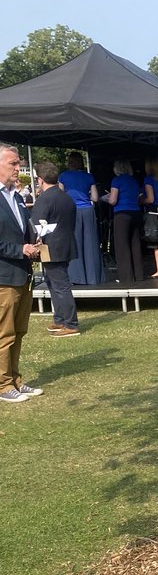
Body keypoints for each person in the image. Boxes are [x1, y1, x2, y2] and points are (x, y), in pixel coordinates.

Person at [0, 142, 44, 403]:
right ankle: (3, 385)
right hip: (4, 276)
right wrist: (20, 249)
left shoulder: (15, 196)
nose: (19, 168)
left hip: (23, 275)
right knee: (4, 333)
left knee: (19, 331)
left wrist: (34, 241)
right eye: (13, 163)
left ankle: (15, 378)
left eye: (19, 163)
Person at [30, 161, 80, 336]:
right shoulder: (66, 196)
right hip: (64, 243)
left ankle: (71, 324)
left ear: (40, 180)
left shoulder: (45, 198)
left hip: (51, 247)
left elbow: (35, 225)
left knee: (60, 286)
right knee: (53, 283)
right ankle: (60, 319)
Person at [58, 151, 104, 285]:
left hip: (72, 211)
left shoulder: (64, 176)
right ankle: (93, 277)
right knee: (91, 243)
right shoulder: (89, 176)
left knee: (75, 243)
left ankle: (76, 277)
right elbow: (95, 198)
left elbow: (60, 196)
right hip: (88, 211)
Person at [104, 160, 144, 283]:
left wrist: (105, 198)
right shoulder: (134, 180)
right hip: (136, 212)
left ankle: (126, 277)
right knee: (135, 244)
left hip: (122, 214)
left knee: (122, 246)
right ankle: (139, 275)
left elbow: (113, 200)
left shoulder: (117, 180)